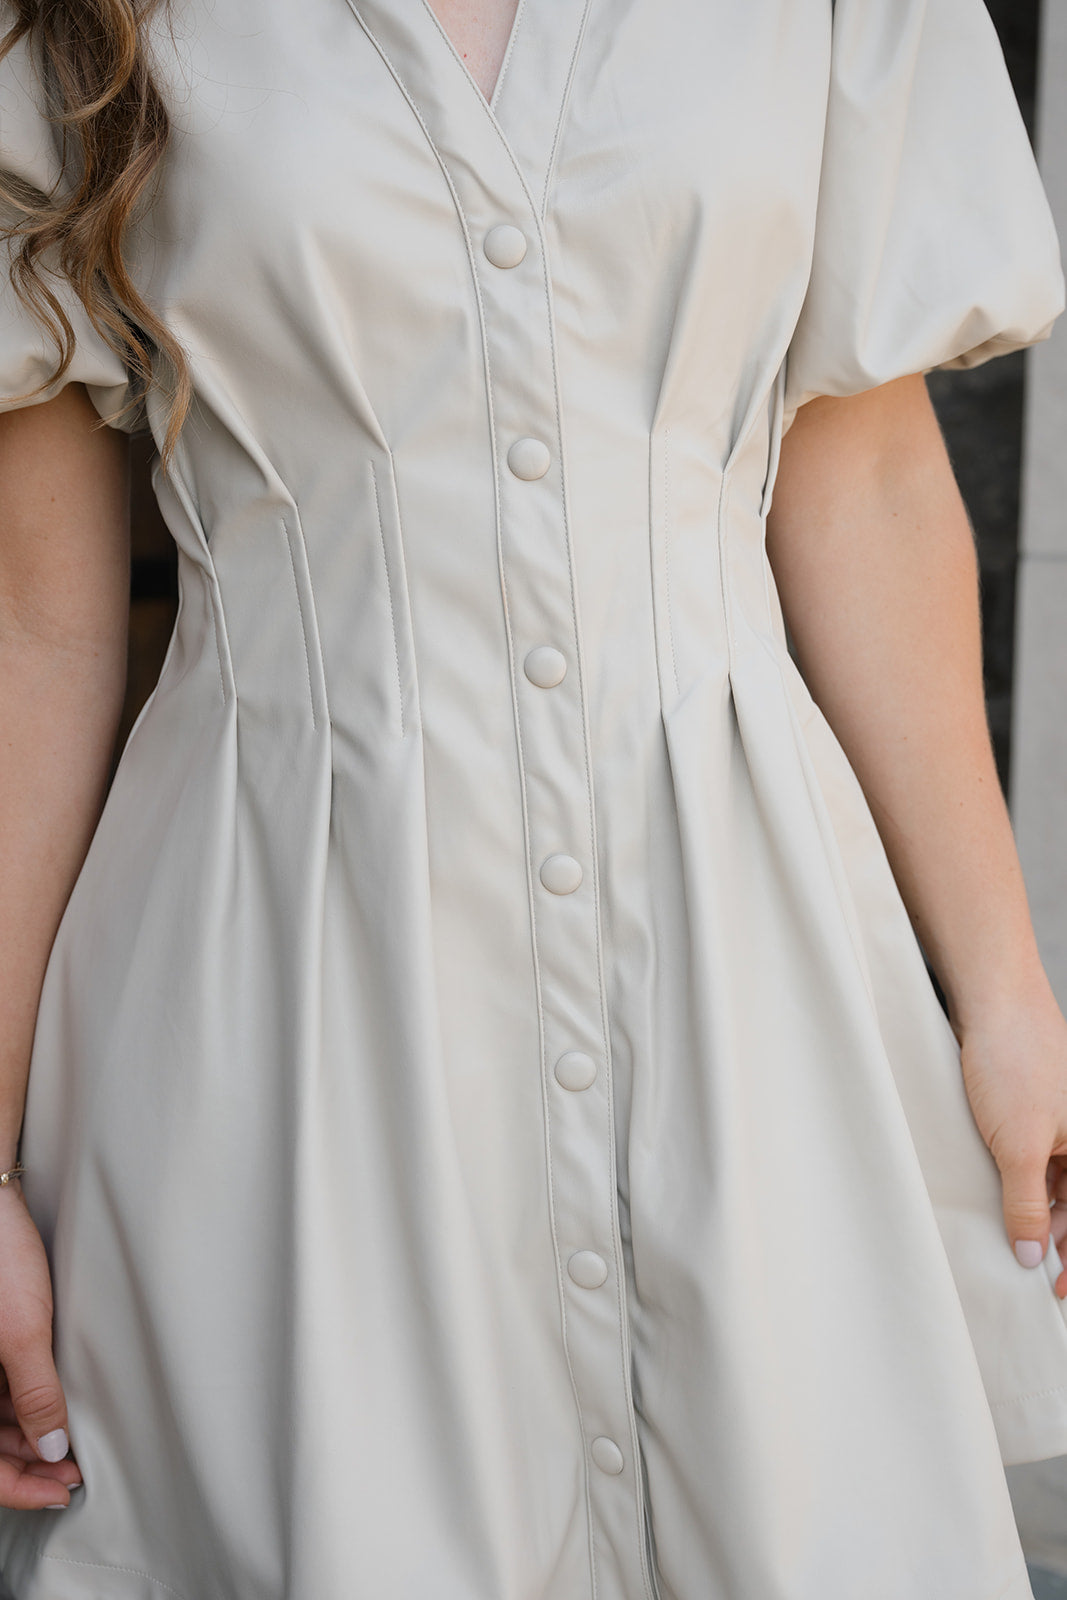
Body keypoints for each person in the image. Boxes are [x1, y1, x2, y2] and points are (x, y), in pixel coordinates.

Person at [0, 0, 1065, 1595]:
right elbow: (39, 620)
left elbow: (869, 473)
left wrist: (1006, 995)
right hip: (273, 1013)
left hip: (756, 983)